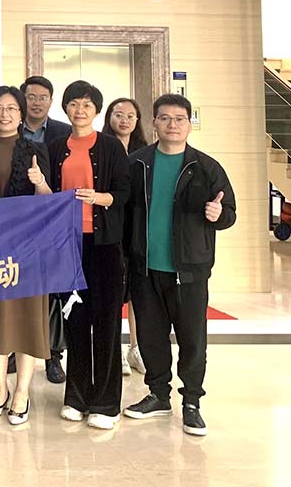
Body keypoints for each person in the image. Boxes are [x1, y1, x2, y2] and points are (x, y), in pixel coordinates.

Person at [123, 94, 236, 438]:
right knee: (151, 336)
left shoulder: (205, 167)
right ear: (154, 123)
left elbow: (229, 213)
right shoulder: (137, 163)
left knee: (192, 339)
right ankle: (158, 395)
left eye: (179, 119)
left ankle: (191, 402)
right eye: (165, 118)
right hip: (146, 266)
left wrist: (219, 215)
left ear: (189, 124)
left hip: (190, 269)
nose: (172, 125)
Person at [46, 80, 130, 431]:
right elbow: (47, 197)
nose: (79, 110)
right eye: (73, 104)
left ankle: (106, 403)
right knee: (75, 321)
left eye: (86, 105)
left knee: (106, 322)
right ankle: (76, 397)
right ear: (65, 108)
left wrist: (99, 198)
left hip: (104, 245)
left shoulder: (110, 146)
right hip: (68, 244)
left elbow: (125, 193)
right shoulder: (55, 147)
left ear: (96, 110)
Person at [0, 86, 52, 426]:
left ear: (21, 114)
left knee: (25, 318)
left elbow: (49, 200)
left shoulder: (36, 150)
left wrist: (40, 182)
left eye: (11, 108)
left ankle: (22, 393)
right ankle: (0, 389)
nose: (5, 114)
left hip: (27, 248)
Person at [19, 75, 70, 384]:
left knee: (51, 292)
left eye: (43, 97)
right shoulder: (10, 130)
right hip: (17, 225)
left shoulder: (63, 133)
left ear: (51, 101)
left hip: (52, 221)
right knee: (18, 287)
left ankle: (53, 355)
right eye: (31, 96)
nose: (36, 102)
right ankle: (16, 349)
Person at [103, 97, 149, 377]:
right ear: (109, 117)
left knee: (136, 289)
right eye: (118, 114)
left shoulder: (145, 152)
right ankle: (116, 349)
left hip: (137, 226)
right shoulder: (101, 147)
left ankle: (136, 347)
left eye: (130, 116)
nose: (124, 120)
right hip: (109, 226)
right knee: (113, 290)